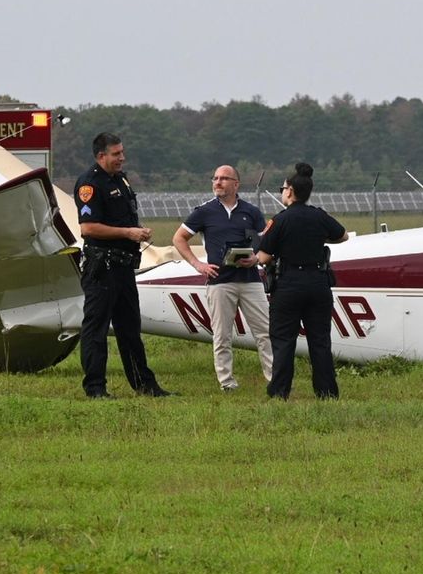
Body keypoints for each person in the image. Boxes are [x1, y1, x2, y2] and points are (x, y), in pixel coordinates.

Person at [73, 132, 172, 399]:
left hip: (124, 267)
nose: (122, 158)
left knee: (130, 329)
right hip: (101, 267)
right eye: (116, 154)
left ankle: (145, 385)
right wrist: (128, 233)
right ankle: (95, 389)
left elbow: (121, 217)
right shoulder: (89, 184)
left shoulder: (121, 179)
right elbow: (88, 227)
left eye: (122, 152)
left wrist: (137, 230)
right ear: (101, 155)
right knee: (96, 330)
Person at [172, 165, 273, 391]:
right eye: (215, 178)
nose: (217, 182)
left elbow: (267, 243)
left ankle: (275, 379)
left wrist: (256, 258)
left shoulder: (252, 211)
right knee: (222, 335)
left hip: (250, 280)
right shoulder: (204, 211)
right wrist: (198, 264)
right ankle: (227, 383)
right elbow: (179, 238)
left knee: (265, 332)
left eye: (224, 179)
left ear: (236, 184)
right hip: (219, 281)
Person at [256, 162, 348, 399]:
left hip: (288, 285)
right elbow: (343, 235)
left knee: (284, 340)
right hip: (318, 283)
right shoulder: (319, 216)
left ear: (289, 191)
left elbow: (263, 256)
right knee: (320, 341)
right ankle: (327, 393)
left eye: (282, 188)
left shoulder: (281, 220)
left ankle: (279, 392)